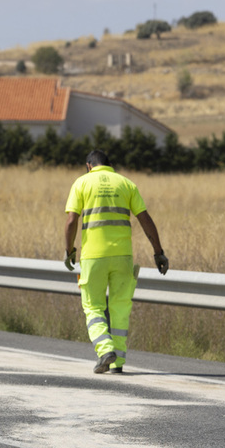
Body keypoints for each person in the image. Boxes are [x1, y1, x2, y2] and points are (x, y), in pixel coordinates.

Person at [63, 150, 167, 374]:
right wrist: (158, 252)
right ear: (109, 164)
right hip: (123, 257)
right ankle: (118, 362)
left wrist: (70, 249)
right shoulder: (126, 184)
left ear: (89, 166)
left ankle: (105, 350)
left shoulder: (81, 183)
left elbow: (72, 220)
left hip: (93, 257)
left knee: (93, 307)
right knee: (120, 308)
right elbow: (145, 219)